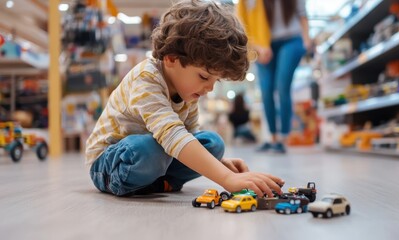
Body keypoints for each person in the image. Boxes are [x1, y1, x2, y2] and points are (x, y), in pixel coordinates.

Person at [85, 0, 284, 197]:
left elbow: (189, 135)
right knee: (148, 151)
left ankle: (156, 183)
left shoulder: (188, 90)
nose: (209, 88)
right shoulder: (146, 78)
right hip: (110, 163)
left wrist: (219, 163)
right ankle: (152, 183)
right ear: (171, 59)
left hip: (158, 155)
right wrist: (226, 178)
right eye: (204, 77)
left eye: (216, 80)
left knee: (213, 144)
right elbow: (172, 136)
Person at [237, 0, 311, 153]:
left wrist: (306, 40)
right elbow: (242, 23)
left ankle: (284, 137)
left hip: (292, 40)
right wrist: (258, 47)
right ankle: (272, 137)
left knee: (282, 86)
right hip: (264, 44)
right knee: (266, 90)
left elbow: (303, 15)